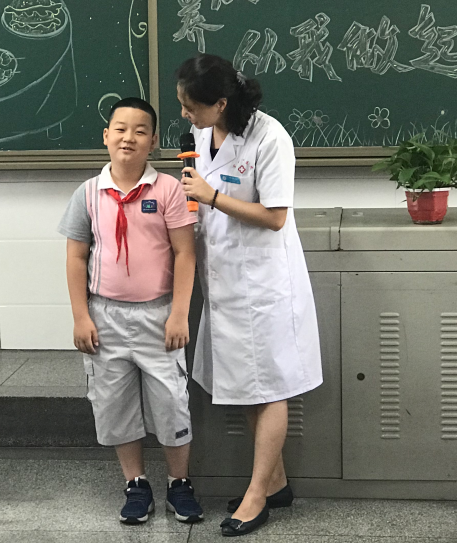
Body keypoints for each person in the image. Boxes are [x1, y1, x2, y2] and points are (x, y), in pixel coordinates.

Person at [175, 54, 323, 537]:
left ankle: (257, 497)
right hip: (223, 279)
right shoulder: (202, 132)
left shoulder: (270, 138)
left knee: (269, 387)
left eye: (191, 107)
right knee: (244, 383)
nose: (185, 115)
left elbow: (276, 216)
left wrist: (211, 197)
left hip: (263, 284)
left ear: (221, 103)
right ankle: (275, 483)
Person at [57, 97, 204, 525]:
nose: (129, 138)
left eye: (140, 131)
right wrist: (81, 316)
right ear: (106, 136)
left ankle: (179, 483)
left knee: (172, 401)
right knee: (114, 402)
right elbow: (76, 258)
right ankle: (135, 483)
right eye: (120, 129)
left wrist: (179, 313)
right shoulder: (88, 193)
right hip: (105, 317)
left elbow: (185, 254)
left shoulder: (169, 190)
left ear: (153, 142)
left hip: (159, 316)